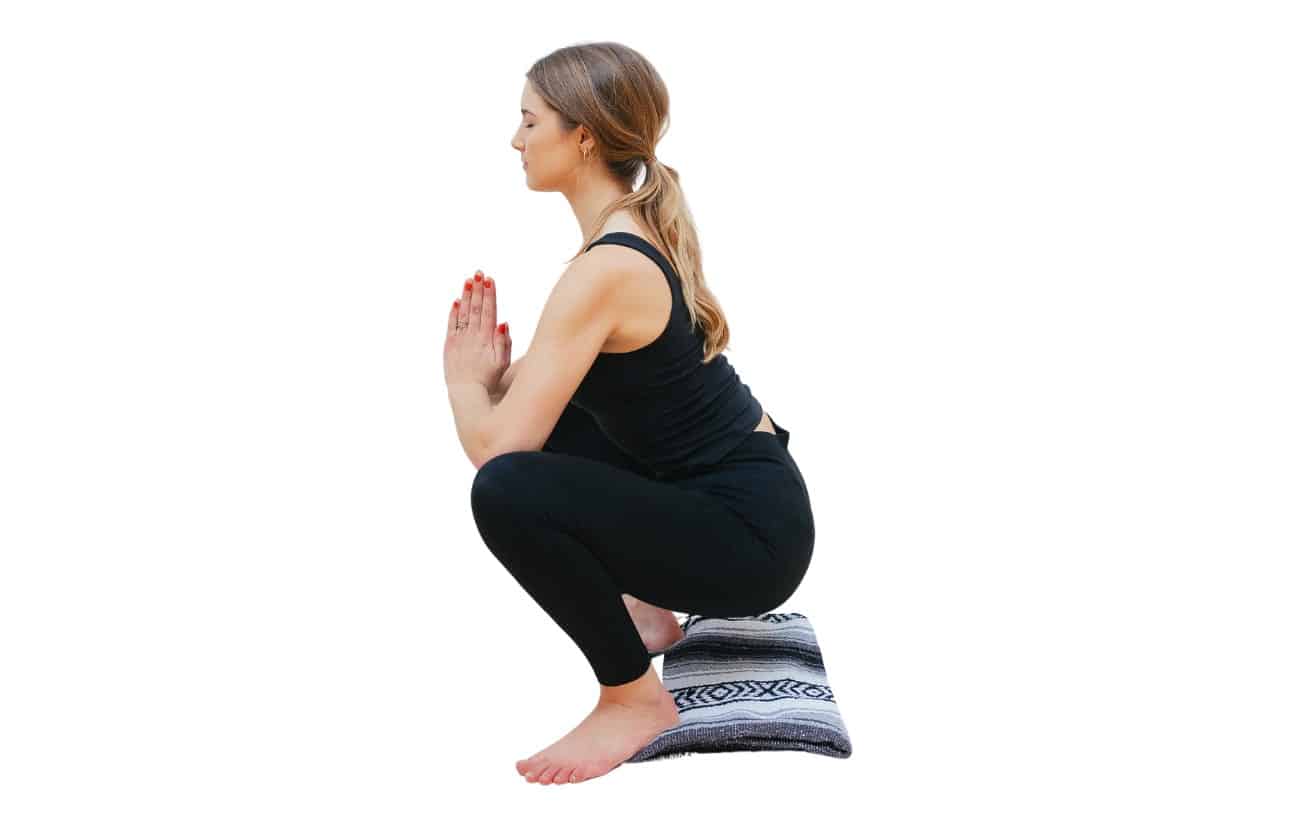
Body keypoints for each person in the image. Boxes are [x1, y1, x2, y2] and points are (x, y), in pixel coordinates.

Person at [442, 42, 815, 786]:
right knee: (567, 424)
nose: (516, 139)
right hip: (757, 501)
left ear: (582, 136)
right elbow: (562, 394)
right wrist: (498, 380)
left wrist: (462, 383)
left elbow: (498, 453)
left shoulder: (605, 269)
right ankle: (647, 612)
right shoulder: (625, 240)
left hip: (753, 541)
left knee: (508, 490)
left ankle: (630, 694)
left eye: (528, 120)